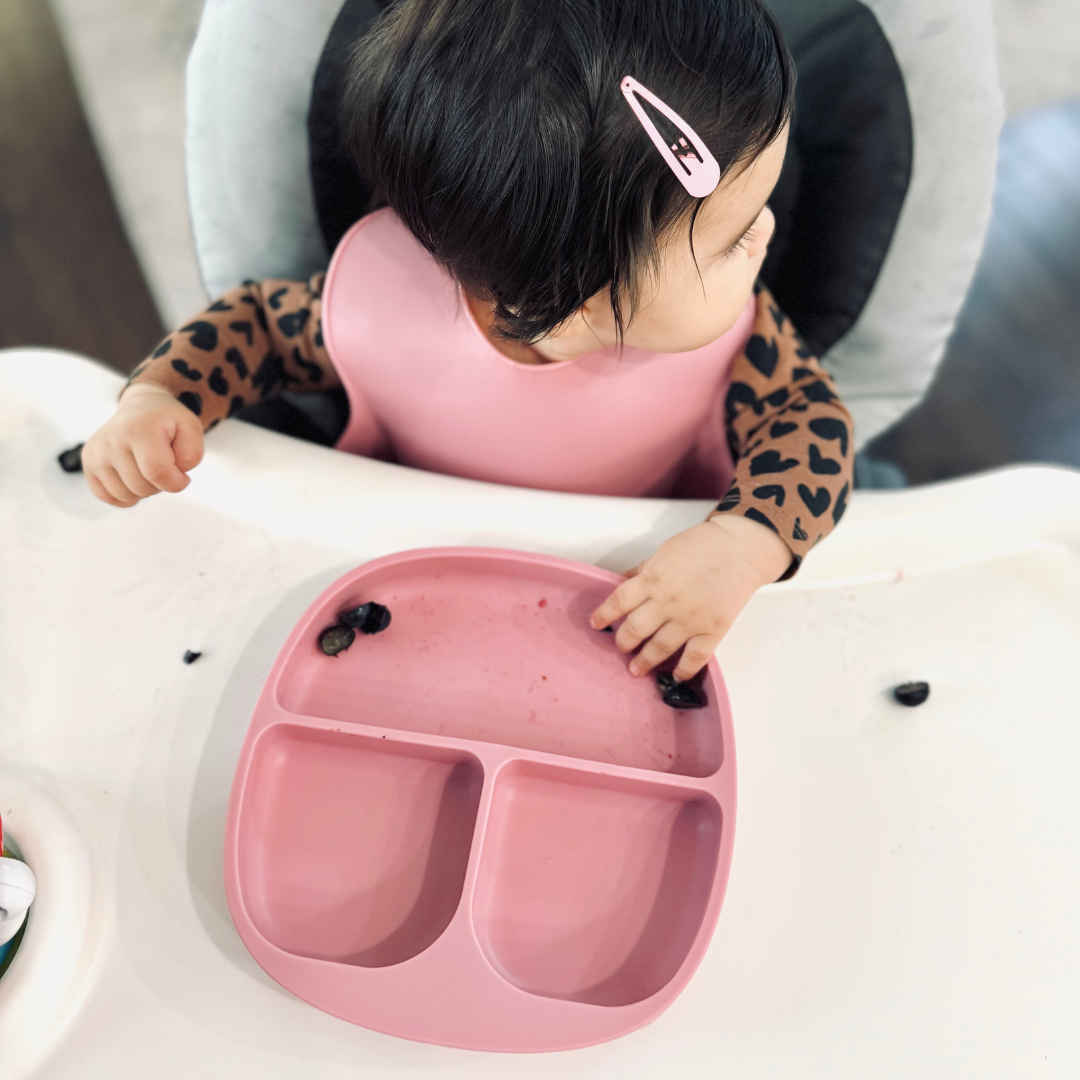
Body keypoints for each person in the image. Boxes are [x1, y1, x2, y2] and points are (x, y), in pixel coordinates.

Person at [82, 0, 853, 683]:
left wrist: (744, 545)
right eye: (732, 238)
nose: (770, 234)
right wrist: (161, 398)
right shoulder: (375, 300)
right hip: (393, 594)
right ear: (576, 296)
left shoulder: (740, 341)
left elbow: (811, 425)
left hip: (622, 611)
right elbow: (254, 331)